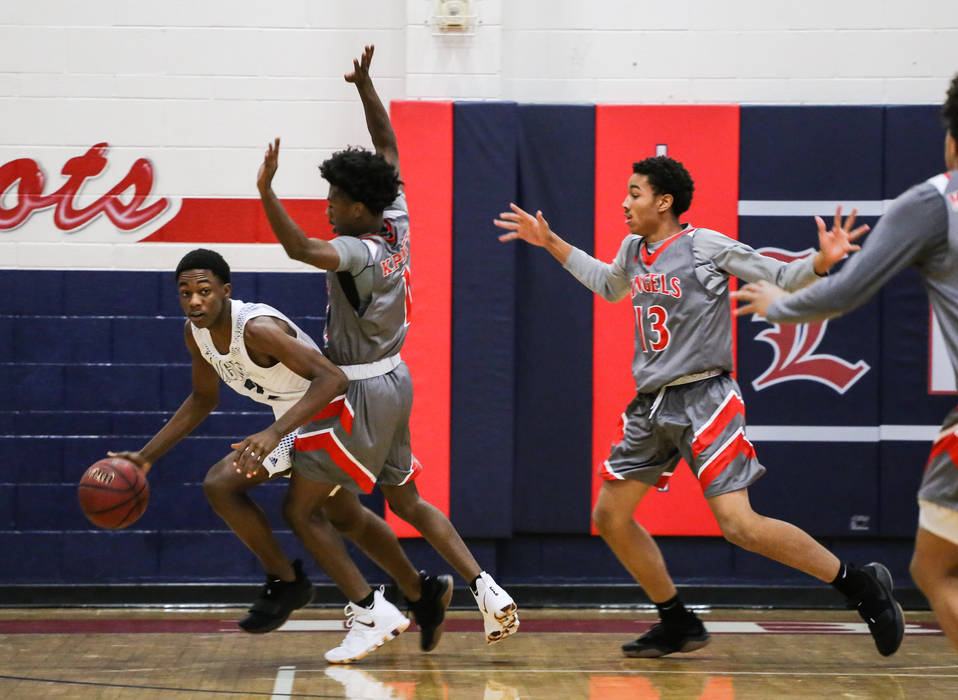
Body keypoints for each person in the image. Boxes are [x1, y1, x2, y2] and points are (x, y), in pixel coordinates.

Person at [494, 155, 904, 659]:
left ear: (663, 202)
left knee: (739, 526)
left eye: (635, 193)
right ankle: (678, 621)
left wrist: (821, 262)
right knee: (611, 516)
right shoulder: (633, 249)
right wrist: (550, 242)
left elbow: (778, 272)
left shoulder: (703, 245)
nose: (624, 203)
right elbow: (608, 286)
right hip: (652, 403)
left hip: (706, 397)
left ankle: (858, 584)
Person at [733, 66, 958, 700]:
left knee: (941, 571)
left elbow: (847, 292)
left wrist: (777, 302)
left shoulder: (936, 198)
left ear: (953, 136)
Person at [255, 44, 519, 662]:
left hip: (361, 392)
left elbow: (299, 249)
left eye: (334, 198)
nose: (327, 205)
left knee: (302, 507)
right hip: (395, 378)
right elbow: (387, 146)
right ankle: (486, 585)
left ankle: (369, 613)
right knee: (404, 500)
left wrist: (266, 192)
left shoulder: (358, 251)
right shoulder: (394, 214)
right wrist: (366, 87)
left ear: (356, 207)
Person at [111, 248, 450, 647]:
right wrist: (146, 456)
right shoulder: (196, 333)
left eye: (204, 290)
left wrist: (274, 434)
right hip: (299, 419)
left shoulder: (257, 329)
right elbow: (203, 399)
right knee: (345, 517)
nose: (194, 300)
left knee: (222, 483)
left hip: (333, 413)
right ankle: (422, 592)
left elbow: (332, 379)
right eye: (185, 293)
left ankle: (302, 586)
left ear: (225, 291)